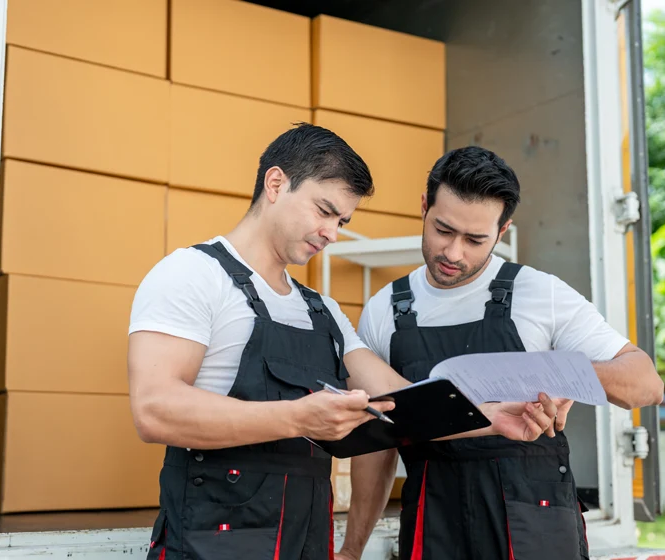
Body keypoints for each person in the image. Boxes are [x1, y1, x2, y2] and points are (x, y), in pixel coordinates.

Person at [127, 125, 561, 560]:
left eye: (342, 221)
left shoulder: (324, 312)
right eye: (324, 210)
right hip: (211, 544)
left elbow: (403, 405)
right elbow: (154, 409)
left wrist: (491, 416)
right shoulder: (193, 275)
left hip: (307, 544)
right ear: (275, 183)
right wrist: (298, 418)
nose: (332, 233)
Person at [335, 146, 665, 560]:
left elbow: (646, 384)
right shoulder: (385, 309)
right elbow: (378, 442)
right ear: (424, 207)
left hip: (533, 523)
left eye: (475, 239)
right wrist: (351, 550)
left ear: (503, 230)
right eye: (443, 230)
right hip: (434, 521)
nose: (454, 253)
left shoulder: (540, 293)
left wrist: (556, 374)